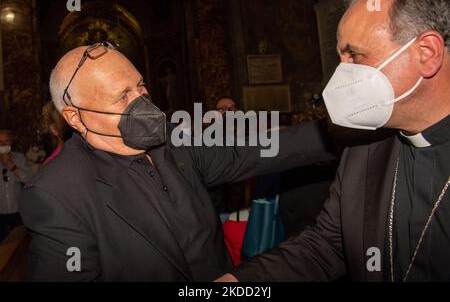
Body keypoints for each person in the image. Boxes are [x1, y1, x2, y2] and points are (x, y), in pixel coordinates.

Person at [19, 42, 335, 281]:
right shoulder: (56, 192)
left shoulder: (173, 139)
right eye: (122, 96)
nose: (141, 102)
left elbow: (252, 150)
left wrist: (340, 131)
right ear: (76, 117)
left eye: (140, 86)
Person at [217, 0, 450, 282]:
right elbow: (327, 245)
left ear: (427, 53)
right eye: (341, 58)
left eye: (354, 55)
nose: (341, 75)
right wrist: (237, 283)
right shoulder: (365, 149)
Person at [0, 129, 31, 242]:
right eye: (0, 142)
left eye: (6, 141)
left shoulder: (19, 158)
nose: (3, 144)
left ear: (11, 142)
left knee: (18, 244)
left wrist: (10, 165)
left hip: (17, 210)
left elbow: (29, 179)